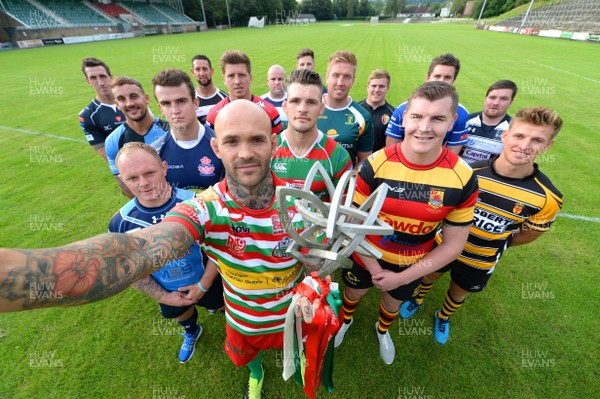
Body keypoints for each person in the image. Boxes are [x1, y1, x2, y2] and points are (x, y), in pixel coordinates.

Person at [0, 100, 320, 399]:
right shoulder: (203, 207)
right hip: (243, 319)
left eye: (257, 140)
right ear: (216, 147)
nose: (245, 152)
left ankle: (298, 357)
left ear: (274, 144)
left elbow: (316, 261)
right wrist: (25, 280)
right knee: (249, 356)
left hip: (293, 314)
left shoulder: (301, 203)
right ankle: (255, 373)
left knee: (296, 345)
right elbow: (134, 252)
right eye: (232, 141)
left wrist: (315, 281)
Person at [334, 81, 479, 365]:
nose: (424, 127)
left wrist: (403, 277)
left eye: (437, 118)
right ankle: (347, 320)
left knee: (392, 302)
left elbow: (453, 245)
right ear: (405, 118)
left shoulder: (462, 176)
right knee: (353, 293)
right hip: (364, 257)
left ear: (451, 122)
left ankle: (382, 329)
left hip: (411, 265)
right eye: (417, 116)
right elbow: (350, 223)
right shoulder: (376, 164)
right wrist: (375, 268)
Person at [399, 106, 563, 345]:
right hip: (443, 245)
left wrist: (499, 242)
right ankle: (419, 298)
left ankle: (443, 315)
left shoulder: (547, 196)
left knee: (460, 289)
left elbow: (530, 233)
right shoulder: (467, 172)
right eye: (519, 135)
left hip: (482, 257)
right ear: (505, 135)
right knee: (429, 274)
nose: (525, 145)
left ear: (548, 146)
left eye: (537, 140)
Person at [108, 142, 224, 363]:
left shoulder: (197, 203)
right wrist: (163, 296)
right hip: (167, 289)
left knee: (220, 304)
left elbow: (222, 249)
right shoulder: (120, 224)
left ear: (164, 167)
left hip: (208, 282)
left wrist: (203, 286)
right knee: (181, 313)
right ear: (122, 180)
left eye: (150, 173)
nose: (144, 183)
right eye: (132, 178)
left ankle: (218, 313)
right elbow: (130, 271)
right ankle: (191, 331)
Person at [272, 69, 352, 200]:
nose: (302, 109)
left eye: (311, 102)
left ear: (321, 108)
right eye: (295, 101)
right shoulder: (269, 150)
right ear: (285, 107)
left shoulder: (338, 156)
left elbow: (341, 212)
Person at [150, 68, 225, 191]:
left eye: (181, 101)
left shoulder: (221, 145)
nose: (175, 111)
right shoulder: (155, 153)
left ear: (195, 103)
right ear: (160, 108)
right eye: (166, 104)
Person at [385, 53, 469, 155]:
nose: (441, 81)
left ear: (453, 80)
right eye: (437, 76)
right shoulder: (402, 109)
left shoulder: (462, 114)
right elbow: (391, 149)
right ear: (427, 77)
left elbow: (451, 155)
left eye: (447, 77)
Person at [105, 76, 170, 197]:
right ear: (117, 104)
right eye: (122, 99)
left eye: (134, 96)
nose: (129, 103)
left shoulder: (170, 131)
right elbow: (124, 183)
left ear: (146, 98)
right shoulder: (113, 141)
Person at [317, 51, 374, 167]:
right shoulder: (310, 109)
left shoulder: (362, 117)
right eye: (336, 75)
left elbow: (364, 162)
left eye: (347, 77)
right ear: (327, 77)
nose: (340, 82)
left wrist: (348, 183)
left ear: (353, 80)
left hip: (344, 184)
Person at [206, 50, 283, 134]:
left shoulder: (270, 112)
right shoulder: (214, 116)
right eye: (231, 76)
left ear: (250, 77)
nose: (237, 81)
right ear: (224, 79)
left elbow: (278, 145)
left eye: (242, 75)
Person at [460, 80, 518, 164]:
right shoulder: (466, 121)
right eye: (492, 97)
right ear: (486, 98)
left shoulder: (513, 129)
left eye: (503, 99)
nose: (496, 103)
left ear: (511, 102)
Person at [78, 57, 125, 160]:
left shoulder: (131, 101)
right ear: (88, 81)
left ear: (111, 77)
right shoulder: (87, 116)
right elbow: (105, 153)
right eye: (93, 78)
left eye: (103, 76)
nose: (100, 83)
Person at [359, 69, 395, 153]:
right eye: (373, 86)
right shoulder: (356, 109)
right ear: (368, 87)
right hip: (356, 163)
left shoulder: (393, 114)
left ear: (388, 88)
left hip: (380, 163)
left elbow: (392, 145)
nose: (377, 90)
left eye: (381, 86)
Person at [190, 54, 227, 125]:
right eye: (197, 69)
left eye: (205, 69)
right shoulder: (189, 100)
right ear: (193, 72)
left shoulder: (224, 98)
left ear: (211, 71)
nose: (202, 73)